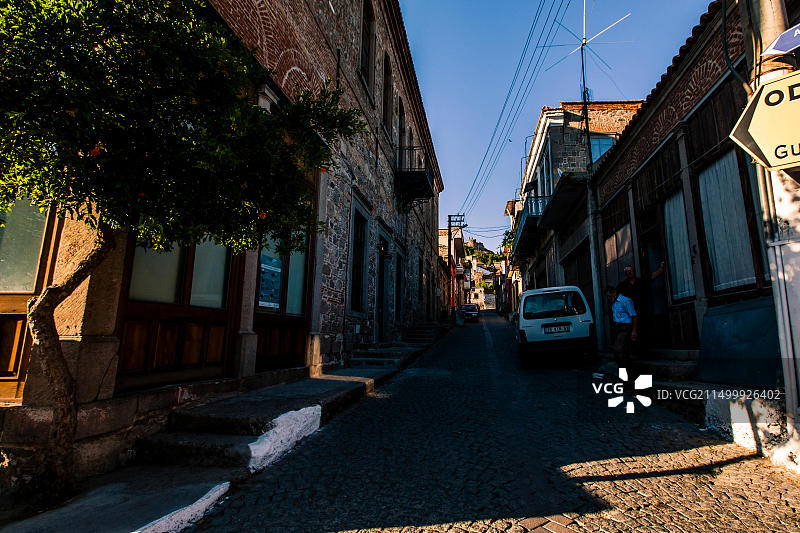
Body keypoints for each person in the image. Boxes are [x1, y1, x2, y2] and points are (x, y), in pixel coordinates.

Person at [606, 285, 638, 369]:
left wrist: (634, 331)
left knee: (618, 349)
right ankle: (626, 376)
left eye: (610, 296)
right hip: (618, 328)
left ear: (614, 292)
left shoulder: (625, 301)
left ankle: (628, 376)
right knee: (622, 353)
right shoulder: (614, 303)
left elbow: (634, 316)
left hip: (625, 328)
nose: (609, 298)